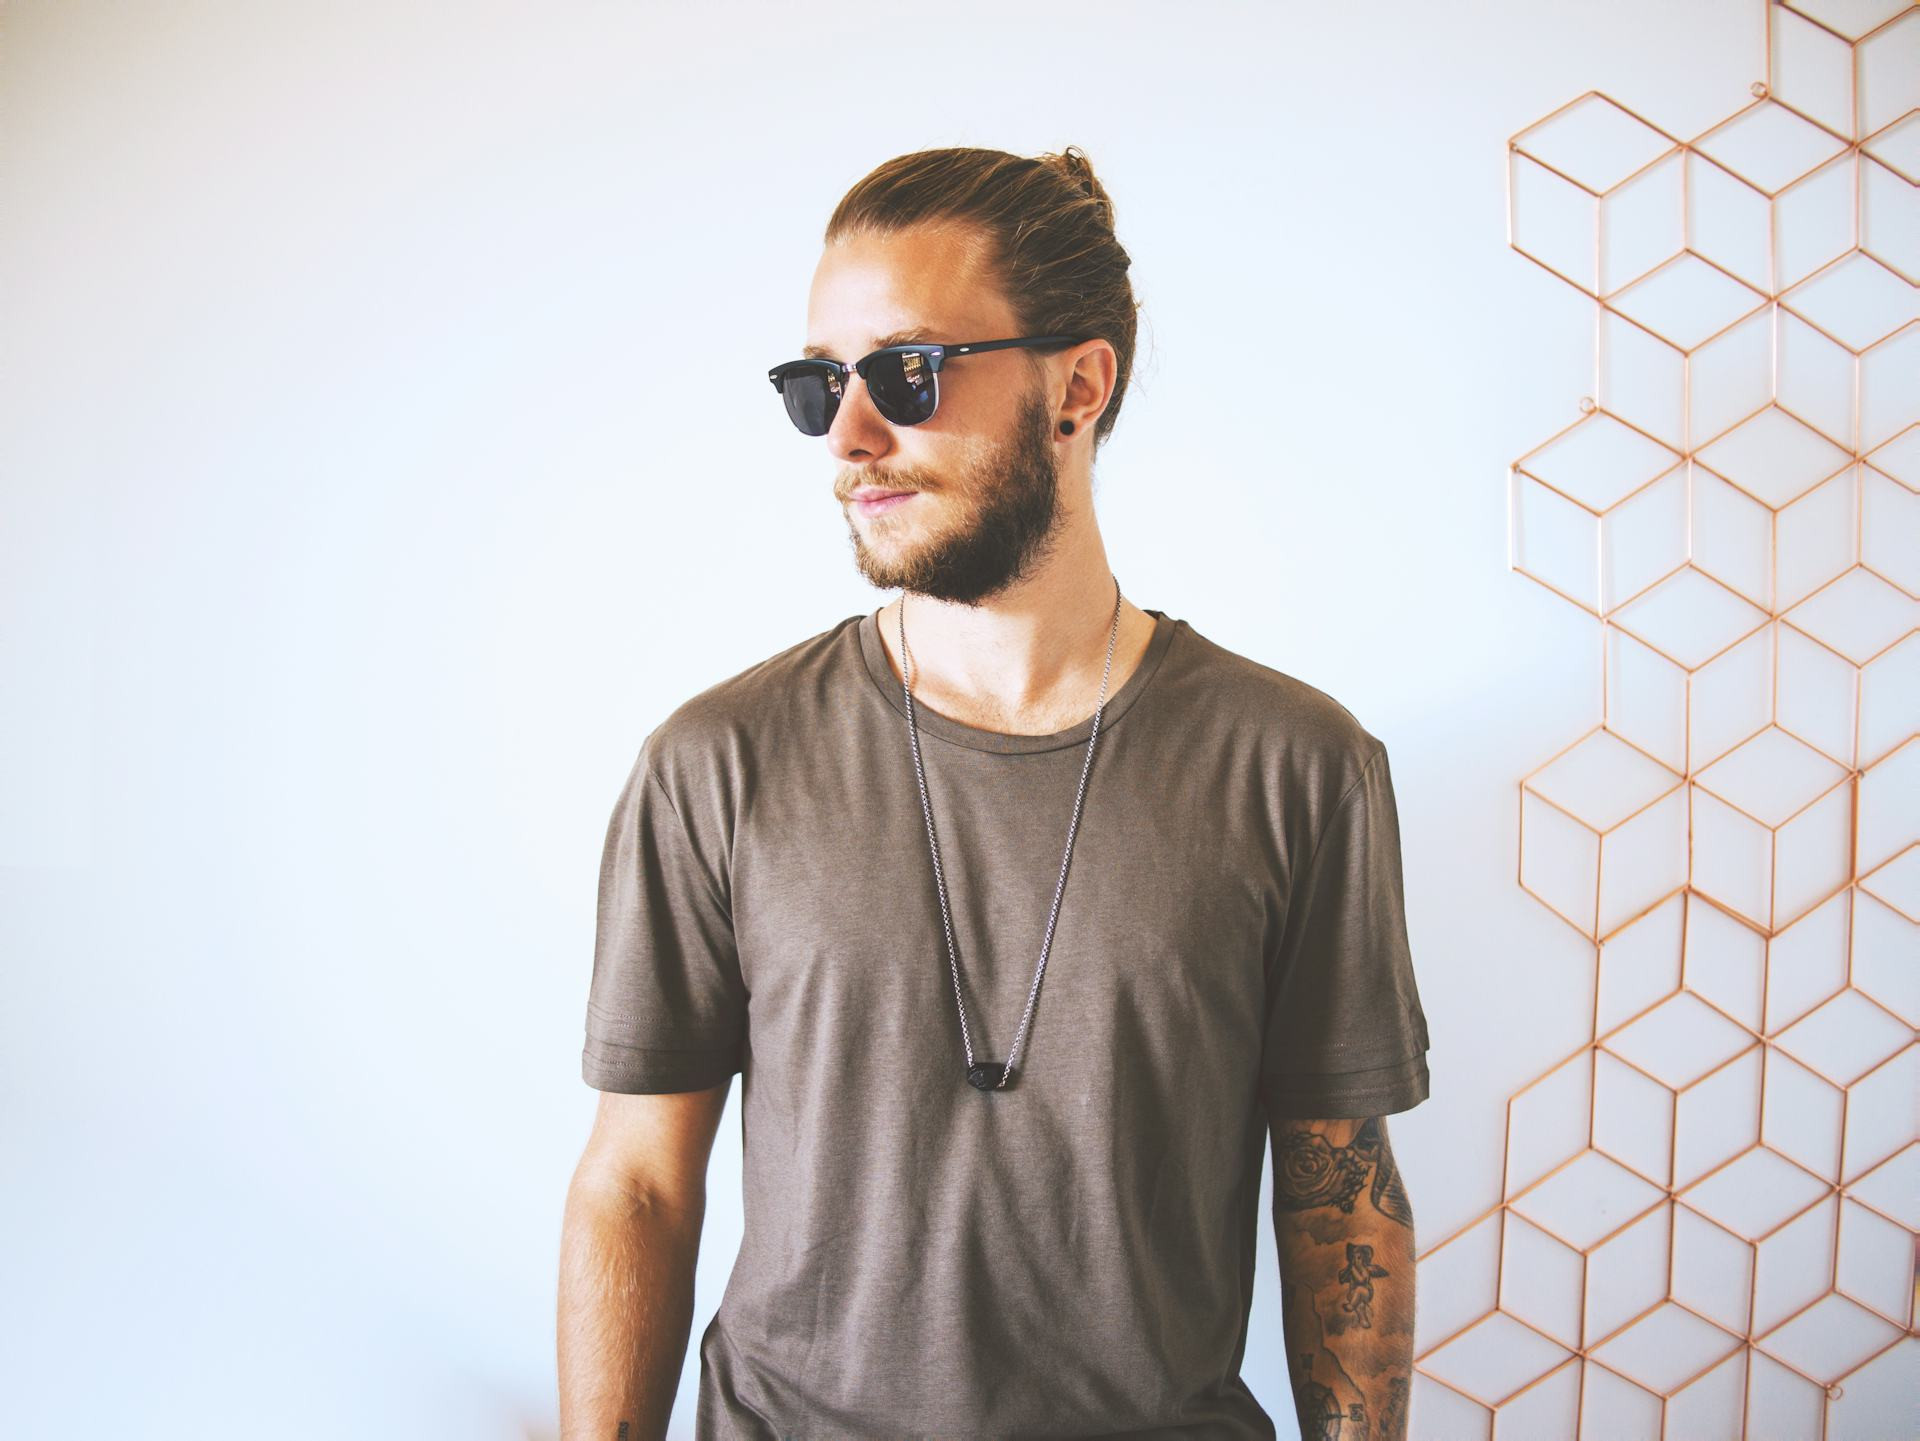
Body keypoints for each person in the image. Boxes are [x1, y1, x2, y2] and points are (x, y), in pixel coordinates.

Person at [556, 144, 1431, 1441]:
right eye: (819, 385)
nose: (850, 436)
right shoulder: (717, 762)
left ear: (1078, 386)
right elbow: (636, 1184)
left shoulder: (1297, 766)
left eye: (907, 373)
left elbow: (1337, 1203)